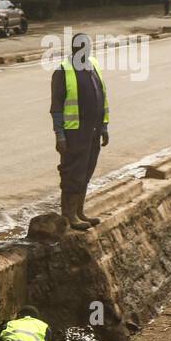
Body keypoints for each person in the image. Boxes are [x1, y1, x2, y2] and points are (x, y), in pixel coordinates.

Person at [51, 32, 109, 231]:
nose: (86, 50)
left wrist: (104, 127)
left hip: (93, 130)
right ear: (74, 49)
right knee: (73, 172)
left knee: (86, 171)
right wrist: (60, 135)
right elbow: (56, 107)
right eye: (82, 47)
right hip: (74, 133)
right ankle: (69, 215)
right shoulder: (63, 72)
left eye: (88, 46)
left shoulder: (93, 66)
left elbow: (103, 97)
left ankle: (79, 211)